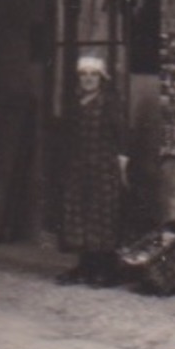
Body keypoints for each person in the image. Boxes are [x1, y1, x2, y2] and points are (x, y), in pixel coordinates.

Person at [57, 53, 129, 287]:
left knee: (103, 217)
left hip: (103, 167)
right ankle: (84, 266)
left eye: (93, 75)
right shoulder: (75, 101)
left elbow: (121, 135)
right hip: (78, 167)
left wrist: (121, 164)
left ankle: (104, 270)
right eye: (84, 74)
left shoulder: (110, 102)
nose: (88, 79)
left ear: (101, 78)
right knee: (80, 215)